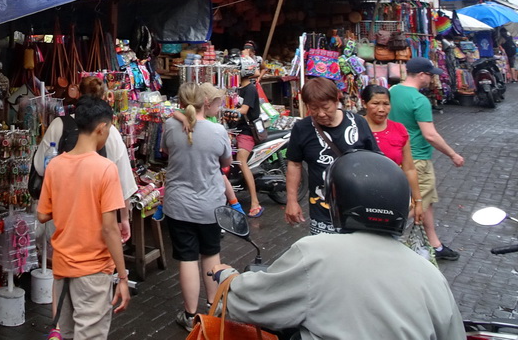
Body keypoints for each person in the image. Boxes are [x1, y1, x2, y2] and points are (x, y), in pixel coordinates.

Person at [210, 151, 465, 340]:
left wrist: (228, 278)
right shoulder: (430, 274)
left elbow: (254, 303)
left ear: (336, 204)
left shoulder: (316, 253)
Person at [37, 96, 131, 340]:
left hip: (62, 268)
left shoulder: (55, 165)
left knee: (67, 333)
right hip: (92, 271)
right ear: (101, 127)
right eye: (109, 128)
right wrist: (123, 276)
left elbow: (42, 213)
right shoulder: (105, 169)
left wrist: (70, 205)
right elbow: (110, 229)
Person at [161, 83, 231, 331]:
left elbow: (164, 150)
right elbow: (226, 161)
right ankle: (213, 309)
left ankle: (191, 317)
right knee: (211, 254)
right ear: (205, 102)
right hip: (210, 204)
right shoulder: (217, 130)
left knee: (187, 258)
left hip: (179, 204)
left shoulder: (170, 126)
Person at [33, 76, 136, 241]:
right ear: (104, 98)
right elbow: (124, 182)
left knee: (62, 259)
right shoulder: (109, 131)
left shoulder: (58, 124)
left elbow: (40, 167)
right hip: (98, 221)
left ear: (78, 95)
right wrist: (123, 219)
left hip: (61, 219)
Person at [389, 57, 465, 261]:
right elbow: (430, 134)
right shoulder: (419, 100)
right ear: (422, 75)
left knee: (426, 201)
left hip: (397, 155)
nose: (432, 79)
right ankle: (382, 236)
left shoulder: (393, 91)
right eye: (430, 75)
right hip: (417, 160)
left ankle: (435, 245)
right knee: (414, 205)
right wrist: (453, 154)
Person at [284, 77, 379, 234]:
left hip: (359, 209)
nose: (321, 114)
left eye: (325, 107)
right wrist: (292, 200)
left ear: (336, 101)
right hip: (322, 212)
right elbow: (294, 164)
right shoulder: (302, 128)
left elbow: (375, 160)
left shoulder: (357, 123)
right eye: (314, 108)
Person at [360, 82, 424, 224]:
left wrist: (418, 201)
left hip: (392, 198)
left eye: (386, 104)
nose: (381, 109)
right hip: (360, 197)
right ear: (364, 103)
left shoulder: (399, 130)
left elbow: (409, 169)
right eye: (375, 103)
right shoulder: (354, 127)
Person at [231, 43, 264, 218]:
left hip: (247, 131)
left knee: (241, 160)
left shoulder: (250, 88)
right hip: (236, 129)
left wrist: (228, 110)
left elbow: (243, 110)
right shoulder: (237, 88)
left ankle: (255, 202)